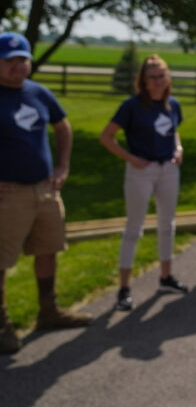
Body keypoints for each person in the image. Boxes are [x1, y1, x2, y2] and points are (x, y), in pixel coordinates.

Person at [0, 32, 91, 354]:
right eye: (9, 61)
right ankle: (2, 323)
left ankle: (48, 311)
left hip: (45, 190)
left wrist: (63, 168)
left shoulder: (38, 93)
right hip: (8, 196)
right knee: (2, 260)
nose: (17, 66)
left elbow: (63, 126)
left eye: (22, 59)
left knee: (48, 248)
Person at [99, 55, 190, 311]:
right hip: (141, 171)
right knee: (134, 227)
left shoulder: (173, 105)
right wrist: (131, 158)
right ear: (143, 81)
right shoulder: (132, 106)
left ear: (168, 78)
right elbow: (106, 137)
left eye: (162, 76)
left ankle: (165, 277)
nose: (158, 81)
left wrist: (178, 148)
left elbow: (174, 131)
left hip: (168, 170)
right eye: (152, 77)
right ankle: (124, 288)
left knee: (167, 224)